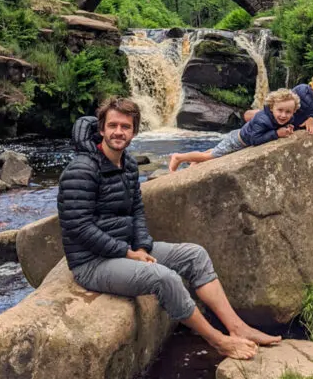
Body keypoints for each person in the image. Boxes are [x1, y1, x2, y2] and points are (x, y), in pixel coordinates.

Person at [57, 96, 281, 360]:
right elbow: (78, 227)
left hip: (126, 249)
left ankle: (237, 327)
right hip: (92, 263)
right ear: (102, 129)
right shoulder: (82, 169)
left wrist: (141, 245)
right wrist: (129, 254)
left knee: (194, 254)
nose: (119, 132)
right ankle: (218, 340)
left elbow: (137, 209)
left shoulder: (128, 163)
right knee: (164, 277)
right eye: (113, 125)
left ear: (134, 131)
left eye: (125, 127)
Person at [168, 88, 300, 173]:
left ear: (293, 111)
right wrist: (277, 133)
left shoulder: (285, 117)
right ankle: (179, 157)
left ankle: (194, 161)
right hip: (236, 142)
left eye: (288, 112)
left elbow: (284, 122)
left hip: (238, 135)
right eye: (280, 111)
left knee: (214, 151)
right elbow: (255, 140)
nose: (283, 115)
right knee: (208, 156)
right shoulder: (262, 119)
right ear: (271, 108)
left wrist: (288, 127)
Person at [242, 70, 313, 134]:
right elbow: (281, 100)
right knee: (249, 115)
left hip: (292, 127)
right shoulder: (302, 90)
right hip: (277, 118)